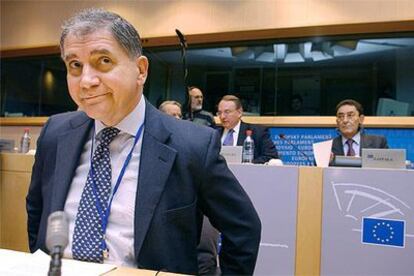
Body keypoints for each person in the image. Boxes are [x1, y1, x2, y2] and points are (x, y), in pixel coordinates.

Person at [26, 8, 261, 275]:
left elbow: (244, 229)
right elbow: (37, 213)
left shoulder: (192, 145)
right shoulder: (56, 133)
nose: (87, 81)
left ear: (140, 70)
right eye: (75, 66)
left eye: (103, 61)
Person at [159, 99, 220, 275]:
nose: (177, 119)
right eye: (172, 115)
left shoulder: (196, 143)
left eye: (179, 115)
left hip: (193, 225)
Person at [217, 95, 279, 164]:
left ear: (239, 113)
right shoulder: (214, 134)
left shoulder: (257, 132)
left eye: (227, 112)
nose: (222, 117)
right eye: (219, 113)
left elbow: (271, 156)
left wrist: (247, 165)